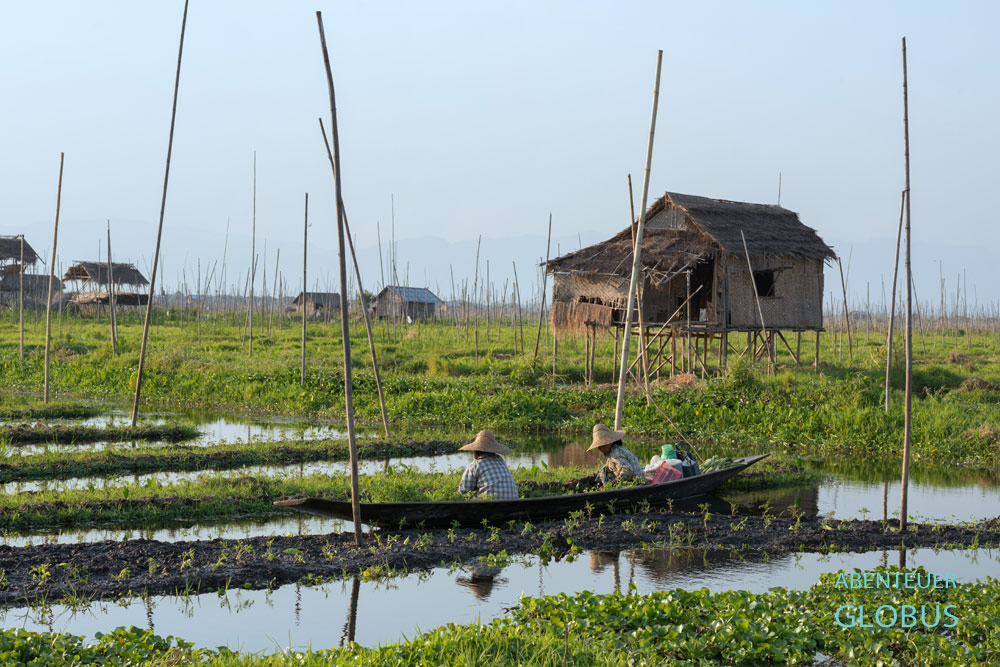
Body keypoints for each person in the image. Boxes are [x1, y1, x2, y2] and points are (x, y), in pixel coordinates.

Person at [457, 430, 519, 500]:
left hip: (488, 505)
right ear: (494, 452)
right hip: (513, 502)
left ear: (476, 453)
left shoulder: (475, 465)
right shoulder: (501, 461)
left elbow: (464, 491)